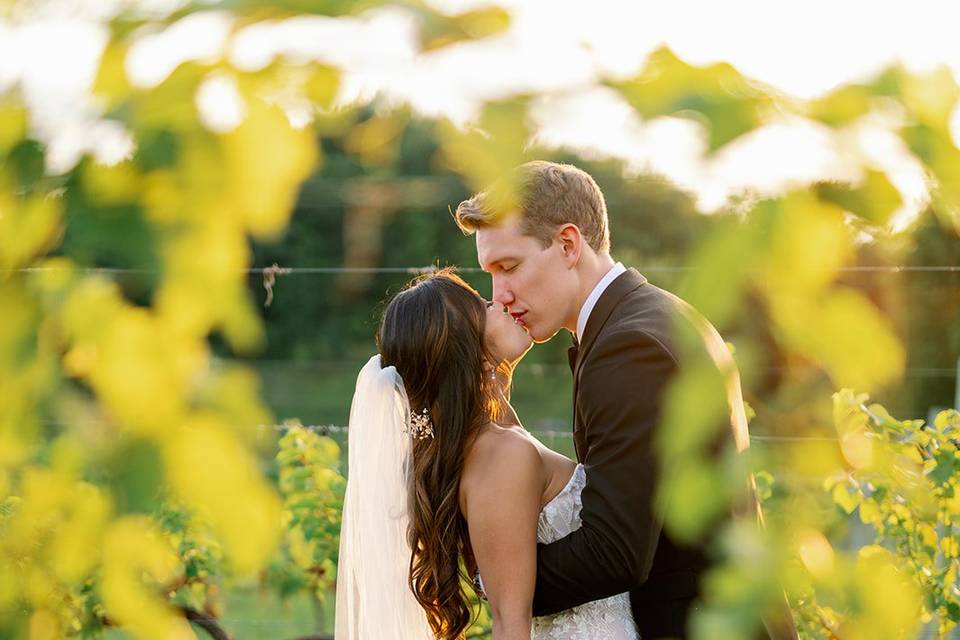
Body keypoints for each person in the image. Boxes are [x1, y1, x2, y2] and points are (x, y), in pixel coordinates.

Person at [453, 160, 797, 639]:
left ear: (568, 245)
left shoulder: (628, 348)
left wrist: (491, 578)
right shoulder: (657, 314)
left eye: (508, 267)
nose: (501, 295)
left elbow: (613, 551)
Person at [335, 270, 639, 639]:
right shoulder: (501, 455)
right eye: (483, 306)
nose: (501, 303)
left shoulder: (491, 436)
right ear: (469, 351)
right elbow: (510, 621)